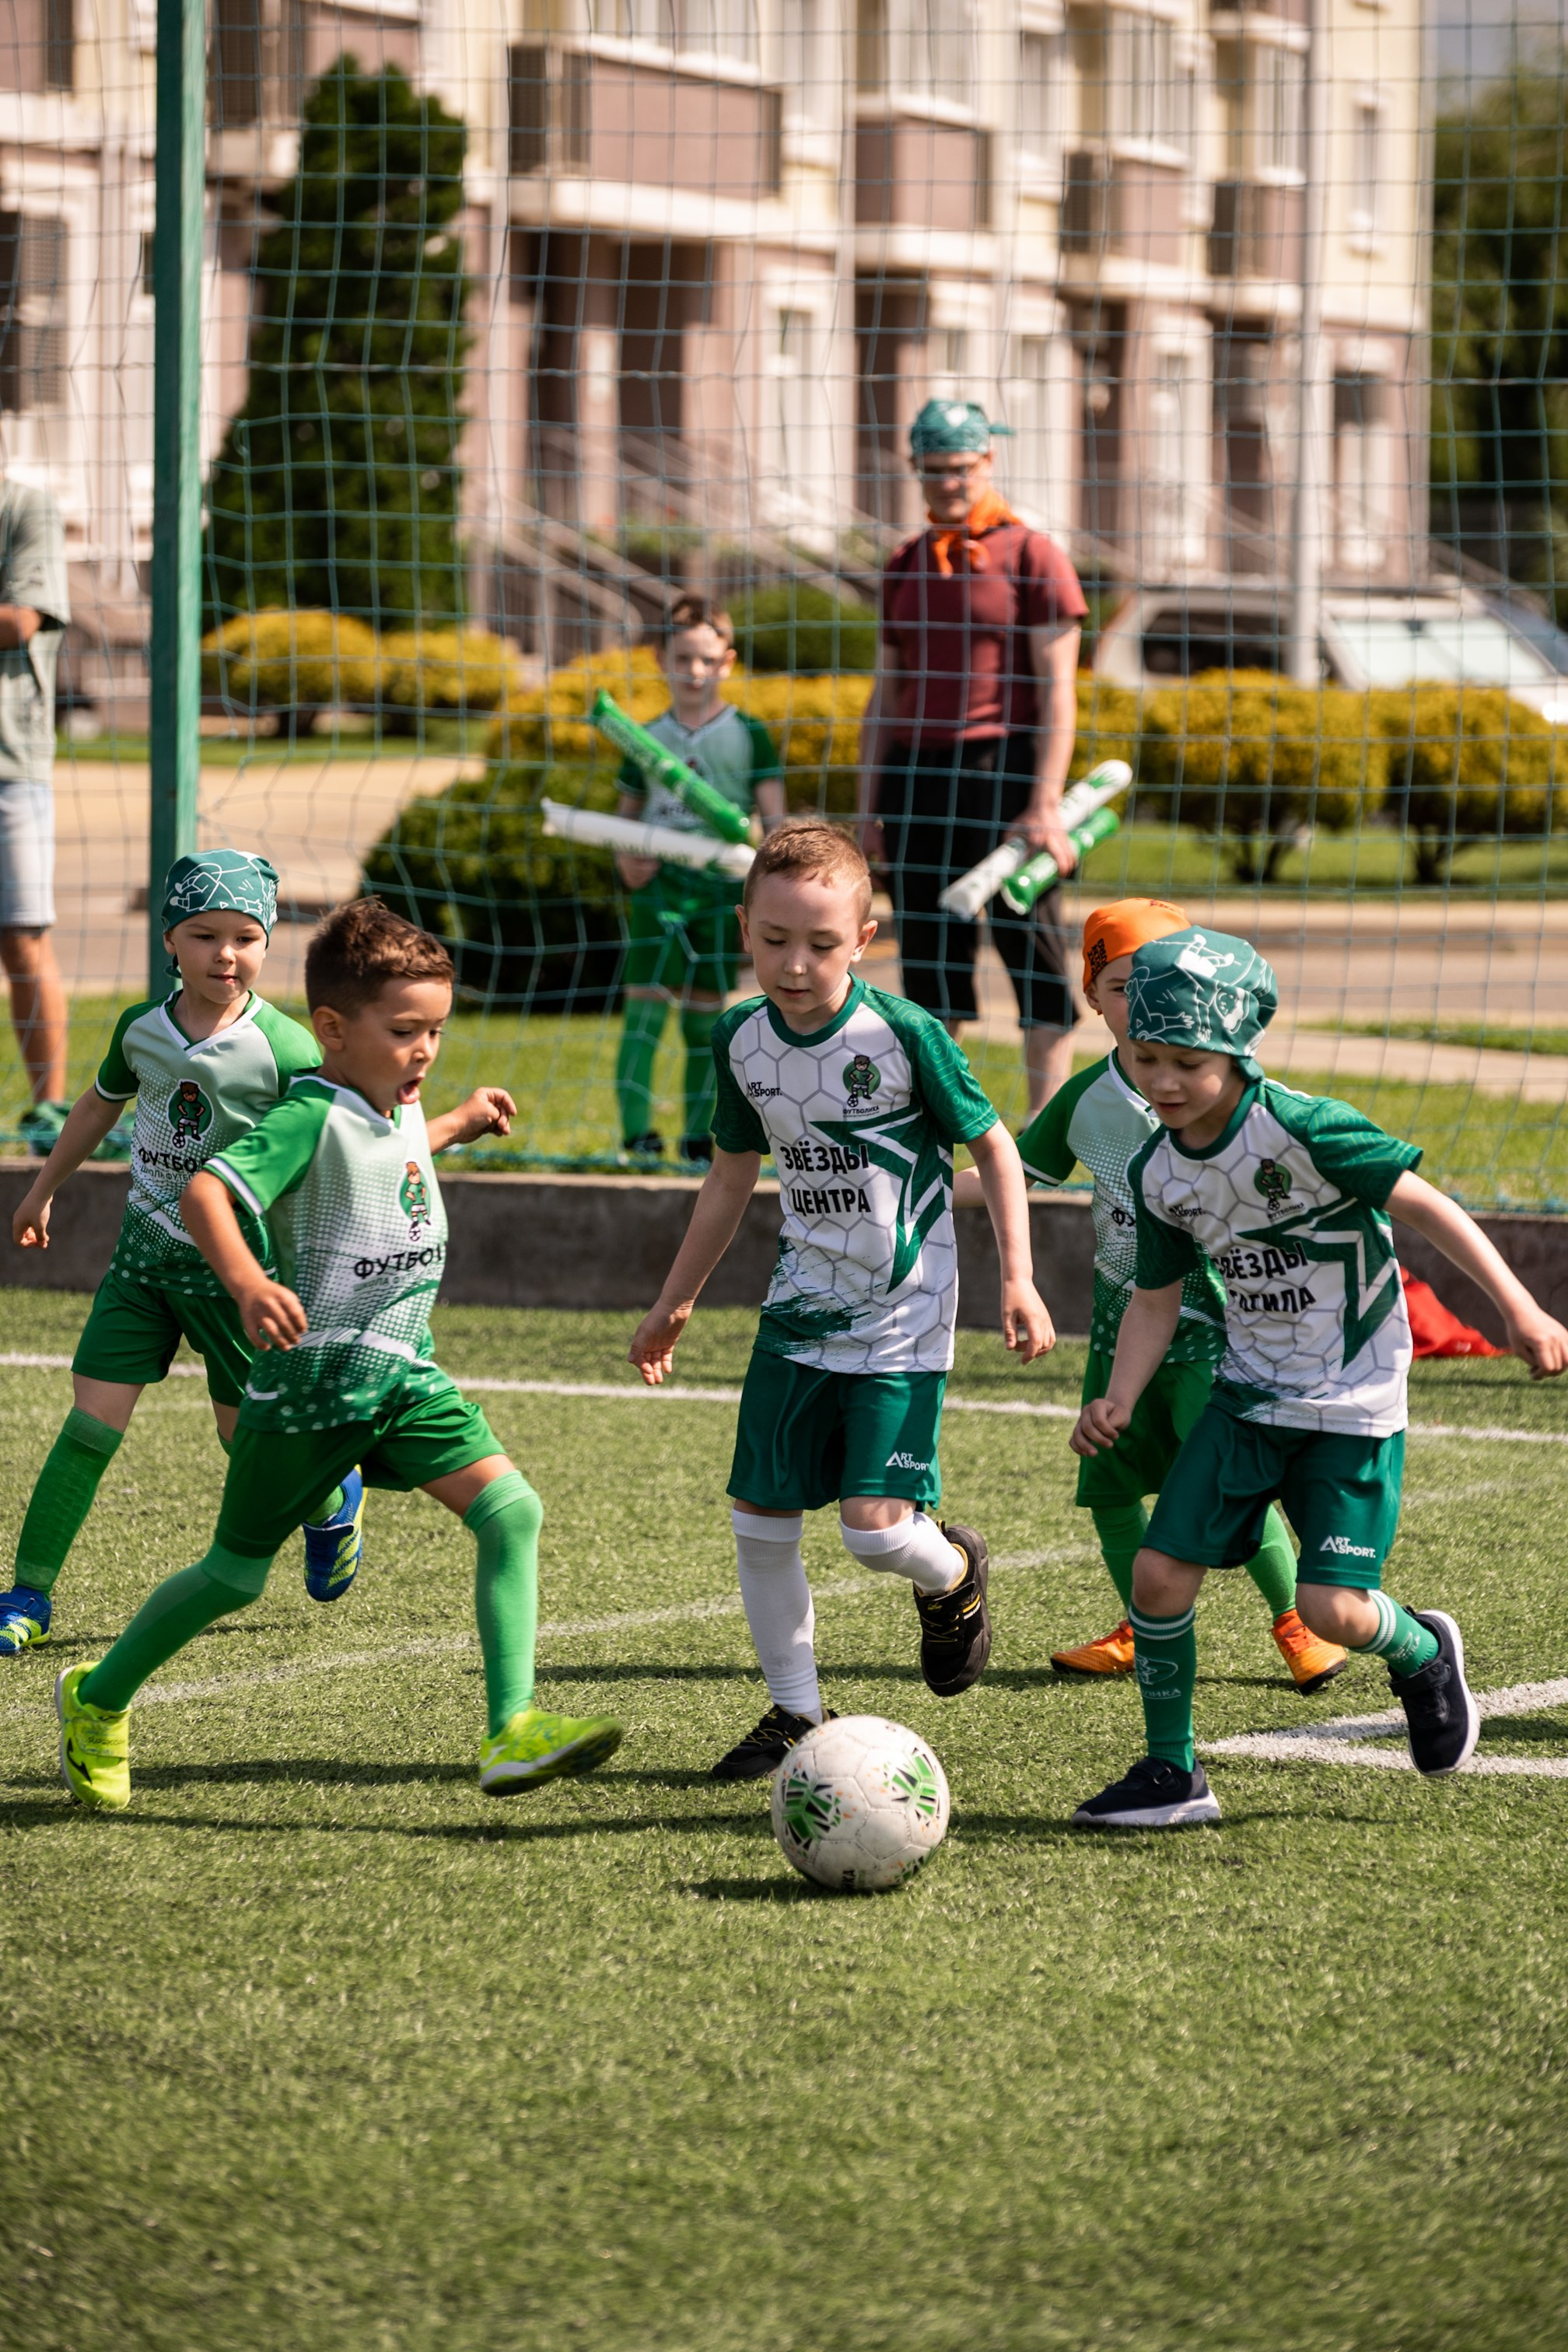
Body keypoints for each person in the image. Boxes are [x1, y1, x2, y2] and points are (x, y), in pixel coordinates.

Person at [52, 898, 623, 1811]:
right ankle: (98, 1697)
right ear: (331, 1029)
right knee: (232, 1577)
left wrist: (456, 1123)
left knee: (512, 1511)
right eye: (406, 1031)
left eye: (436, 1030)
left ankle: (512, 1728)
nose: (426, 1050)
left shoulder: (394, 1100)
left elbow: (388, 1155)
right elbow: (206, 1194)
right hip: (308, 1393)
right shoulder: (307, 1113)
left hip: (399, 1376)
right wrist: (246, 1283)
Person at [1069, 927, 1568, 1829]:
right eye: (1146, 1058)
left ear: (1236, 1050)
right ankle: (1171, 1774)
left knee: (1332, 1610)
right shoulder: (1156, 1169)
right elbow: (1154, 1298)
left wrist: (1519, 1310)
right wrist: (1120, 1398)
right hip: (1247, 1395)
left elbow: (1428, 1205)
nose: (1164, 1082)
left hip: (1353, 1400)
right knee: (1156, 1576)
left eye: (1187, 1061)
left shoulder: (1304, 1128)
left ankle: (1418, 1649)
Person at [628, 820, 1053, 1781]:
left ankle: (952, 1573)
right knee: (758, 1518)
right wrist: (675, 1302)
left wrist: (1017, 1278)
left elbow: (994, 1147)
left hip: (905, 1311)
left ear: (864, 940)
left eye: (822, 944)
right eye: (775, 940)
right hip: (798, 1310)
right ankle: (794, 1713)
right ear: (745, 929)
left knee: (876, 1533)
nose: (795, 963)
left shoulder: (903, 1034)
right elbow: (731, 1178)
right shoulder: (739, 1038)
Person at [971, 897, 1347, 1693]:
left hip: (1215, 1323)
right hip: (1123, 1323)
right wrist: (909, 1184)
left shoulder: (1228, 1090)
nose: (1141, 999)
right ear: (1090, 993)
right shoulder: (1083, 1099)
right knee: (1109, 1482)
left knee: (1229, 1487)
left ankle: (1299, 1625)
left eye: (1161, 980)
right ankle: (1143, 1628)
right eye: (1121, 984)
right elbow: (1013, 1176)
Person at [2, 851, 366, 1657]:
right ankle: (27, 1595)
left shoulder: (289, 1048)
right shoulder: (142, 1030)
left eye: (245, 937)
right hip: (141, 1269)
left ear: (268, 945)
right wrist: (43, 1188)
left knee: (247, 1442)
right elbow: (100, 1104)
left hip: (240, 1280)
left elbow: (334, 1142)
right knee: (88, 1429)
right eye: (204, 935)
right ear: (170, 938)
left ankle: (330, 1495)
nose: (224, 955)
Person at [856, 399, 1087, 1117]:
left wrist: (1044, 799)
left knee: (1034, 952)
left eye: (960, 469)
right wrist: (868, 811)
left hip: (1007, 775)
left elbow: (1057, 693)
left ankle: (1045, 1137)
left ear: (988, 461)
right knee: (929, 962)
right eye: (932, 471)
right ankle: (942, 1125)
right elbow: (886, 695)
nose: (947, 484)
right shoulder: (904, 563)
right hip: (919, 778)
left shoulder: (1033, 555)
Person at [613, 596, 786, 1163]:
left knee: (704, 1017)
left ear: (727, 662)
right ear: (661, 658)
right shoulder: (643, 736)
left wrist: (773, 879)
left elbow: (774, 822)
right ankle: (637, 1134)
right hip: (659, 889)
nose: (694, 671)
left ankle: (696, 1136)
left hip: (718, 892)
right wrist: (627, 856)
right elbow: (626, 813)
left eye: (707, 660)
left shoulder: (748, 734)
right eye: (682, 657)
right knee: (644, 1011)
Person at [0, 473, 71, 1151]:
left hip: (9, 766)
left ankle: (50, 1113)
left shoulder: (25, 505)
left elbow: (19, 617)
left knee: (22, 936)